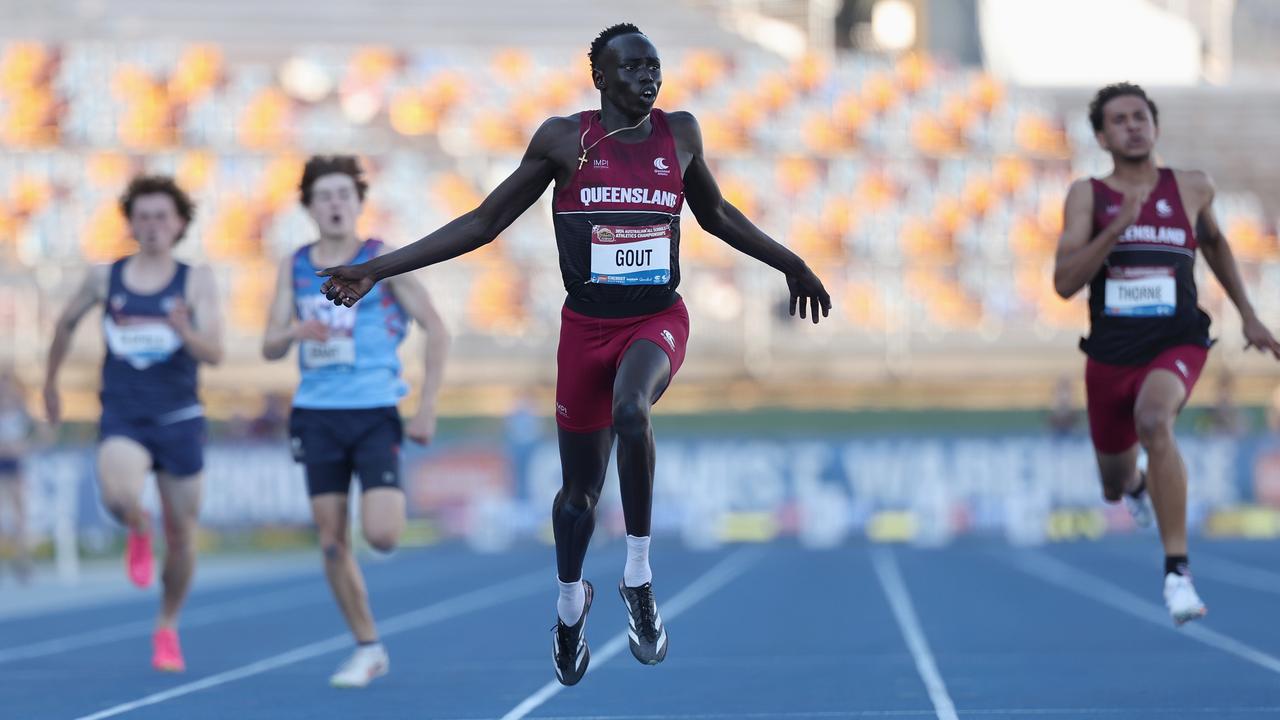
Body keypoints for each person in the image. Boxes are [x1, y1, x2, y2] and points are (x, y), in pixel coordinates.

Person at [318, 24, 831, 686]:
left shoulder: (680, 135)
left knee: (632, 410)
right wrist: (376, 269)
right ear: (601, 78)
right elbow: (482, 223)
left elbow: (718, 215)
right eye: (633, 67)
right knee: (578, 498)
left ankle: (639, 577)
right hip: (585, 333)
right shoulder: (565, 140)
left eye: (655, 66)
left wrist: (792, 263)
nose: (649, 78)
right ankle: (568, 609)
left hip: (655, 318)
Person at [1052, 83, 1280, 625]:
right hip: (1110, 349)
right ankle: (1133, 485)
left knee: (1155, 421)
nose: (1132, 125)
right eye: (1119, 120)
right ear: (1103, 136)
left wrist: (1247, 313)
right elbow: (1064, 283)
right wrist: (1116, 229)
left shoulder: (1193, 187)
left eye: (1140, 116)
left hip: (1177, 336)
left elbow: (1217, 243)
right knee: (1112, 481)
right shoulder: (1089, 195)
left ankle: (1177, 572)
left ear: (1154, 125)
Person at [262, 155, 450, 688]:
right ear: (308, 206)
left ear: (359, 203)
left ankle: (370, 622)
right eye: (325, 195)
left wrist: (427, 406)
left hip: (373, 411)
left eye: (345, 194)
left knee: (385, 535)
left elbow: (436, 329)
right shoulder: (295, 264)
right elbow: (269, 345)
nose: (336, 203)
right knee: (330, 541)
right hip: (317, 416)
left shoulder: (380, 258)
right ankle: (368, 646)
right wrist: (295, 333)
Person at [43, 175, 223, 670]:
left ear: (180, 223)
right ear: (130, 223)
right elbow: (64, 323)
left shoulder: (196, 280)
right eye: (142, 217)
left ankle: (167, 625)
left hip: (180, 417)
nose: (151, 226)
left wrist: (185, 330)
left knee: (184, 537)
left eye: (161, 216)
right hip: (125, 414)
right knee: (120, 496)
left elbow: (217, 352)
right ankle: (138, 523)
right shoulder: (107, 278)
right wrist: (51, 384)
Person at [0, 371, 34, 582]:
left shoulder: (21, 408)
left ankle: (22, 559)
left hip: (16, 465)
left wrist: (25, 446)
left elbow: (41, 431)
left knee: (20, 515)